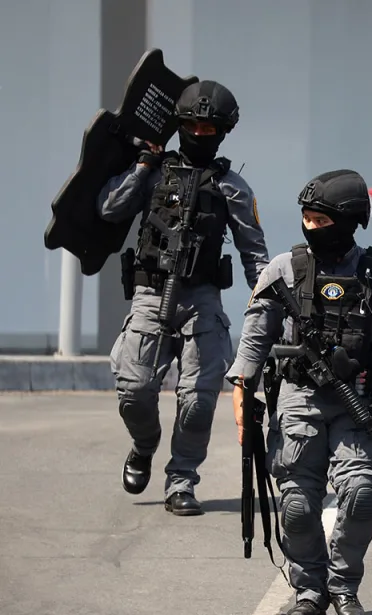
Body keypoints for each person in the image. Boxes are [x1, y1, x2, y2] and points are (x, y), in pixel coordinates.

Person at [227, 169, 372, 615]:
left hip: (355, 401)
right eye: (307, 219)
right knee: (297, 506)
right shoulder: (283, 270)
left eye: (321, 220)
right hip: (298, 400)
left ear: (349, 221)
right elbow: (255, 338)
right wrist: (241, 391)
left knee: (361, 493)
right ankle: (309, 589)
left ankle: (343, 587)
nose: (311, 227)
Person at [99, 80, 268, 515]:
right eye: (191, 125)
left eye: (208, 128)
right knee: (134, 389)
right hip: (151, 294)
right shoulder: (154, 171)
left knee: (198, 400)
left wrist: (269, 310)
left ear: (223, 132)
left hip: (202, 298)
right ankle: (144, 445)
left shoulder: (233, 187)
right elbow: (110, 209)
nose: (198, 133)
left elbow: (255, 255)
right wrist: (142, 165)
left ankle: (181, 481)